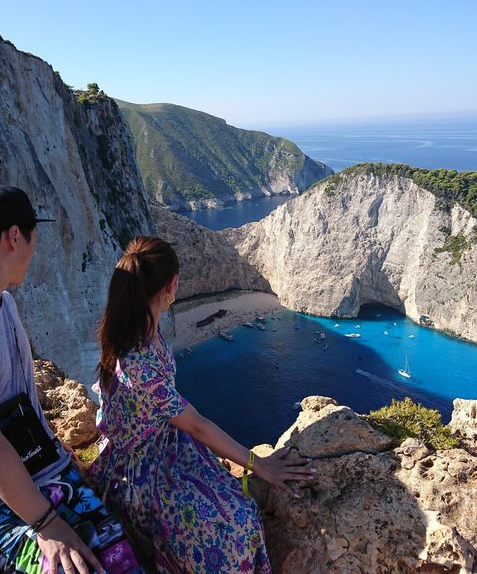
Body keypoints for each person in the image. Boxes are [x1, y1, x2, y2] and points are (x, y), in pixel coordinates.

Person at [0, 185, 141, 573]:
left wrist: (56, 450)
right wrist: (47, 523)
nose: (35, 247)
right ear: (15, 236)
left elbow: (20, 398)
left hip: (43, 468)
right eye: (33, 235)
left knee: (120, 559)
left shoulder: (3, 303)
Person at [91, 236, 315, 572]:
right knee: (236, 526)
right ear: (172, 285)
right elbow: (196, 425)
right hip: (139, 471)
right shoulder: (138, 360)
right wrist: (259, 464)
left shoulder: (140, 329)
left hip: (160, 443)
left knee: (238, 509)